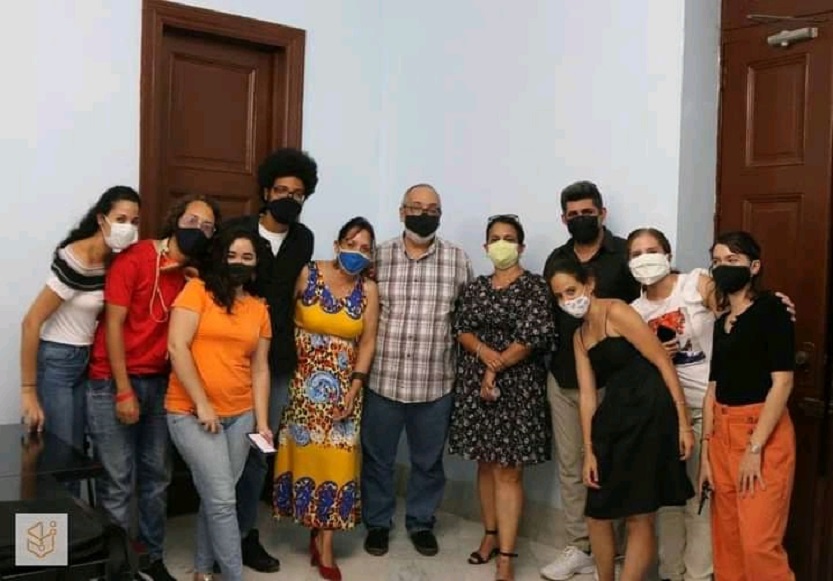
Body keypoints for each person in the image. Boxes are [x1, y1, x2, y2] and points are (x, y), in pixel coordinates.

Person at [86, 195, 220, 581]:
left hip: (160, 382)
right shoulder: (135, 258)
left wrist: (196, 281)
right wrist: (123, 391)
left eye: (207, 226)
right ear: (176, 219)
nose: (198, 230)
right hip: (113, 380)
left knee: (157, 477)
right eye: (192, 220)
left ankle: (151, 559)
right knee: (117, 481)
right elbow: (113, 326)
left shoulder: (194, 275)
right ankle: (118, 568)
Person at [548, 258, 694, 581]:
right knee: (597, 512)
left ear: (589, 284)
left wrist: (683, 422)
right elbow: (588, 397)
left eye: (571, 291)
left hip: (650, 409)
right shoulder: (579, 337)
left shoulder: (617, 311)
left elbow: (662, 361)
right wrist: (589, 450)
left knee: (639, 515)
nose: (567, 300)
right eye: (559, 296)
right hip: (615, 411)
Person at [361, 184, 473, 558]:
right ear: (401, 211)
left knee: (428, 462)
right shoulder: (378, 257)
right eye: (416, 207)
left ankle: (421, 522)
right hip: (383, 379)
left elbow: (466, 319)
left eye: (432, 209)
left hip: (435, 382)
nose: (424, 214)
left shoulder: (458, 260)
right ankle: (378, 523)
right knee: (378, 459)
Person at [540, 181, 639, 581]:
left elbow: (651, 302)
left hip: (611, 383)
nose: (580, 218)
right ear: (563, 219)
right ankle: (580, 546)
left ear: (602, 213)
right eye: (573, 214)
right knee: (571, 467)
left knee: (612, 466)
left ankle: (615, 554)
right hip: (564, 378)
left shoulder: (624, 255)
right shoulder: (557, 258)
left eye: (587, 212)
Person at [226, 147, 318, 573]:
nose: (288, 199)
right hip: (231, 360)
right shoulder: (237, 231)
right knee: (224, 455)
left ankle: (246, 535)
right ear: (266, 191)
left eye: (297, 194)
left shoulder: (304, 239)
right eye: (281, 191)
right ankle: (219, 535)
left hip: (277, 363)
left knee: (258, 451)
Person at [448, 214, 554, 581]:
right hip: (476, 385)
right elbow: (461, 328)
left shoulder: (534, 287)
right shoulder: (476, 288)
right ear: (485, 246)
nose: (502, 244)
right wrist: (483, 353)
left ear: (521, 247)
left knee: (509, 471)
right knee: (485, 463)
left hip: (518, 387)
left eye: (509, 238)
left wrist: (495, 367)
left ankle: (507, 555)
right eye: (495, 238)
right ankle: (490, 534)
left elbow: (532, 336)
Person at [273, 217, 379, 581]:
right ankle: (312, 529)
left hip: (343, 392)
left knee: (338, 464)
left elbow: (368, 342)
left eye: (365, 248)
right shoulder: (309, 273)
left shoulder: (368, 290)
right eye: (351, 244)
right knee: (308, 459)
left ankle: (327, 543)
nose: (357, 252)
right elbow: (280, 317)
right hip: (301, 387)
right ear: (337, 245)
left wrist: (354, 389)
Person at [166, 228, 274, 581]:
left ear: (256, 265)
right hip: (190, 412)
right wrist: (202, 403)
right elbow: (177, 347)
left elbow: (260, 368)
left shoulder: (259, 308)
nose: (238, 263)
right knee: (224, 500)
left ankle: (202, 570)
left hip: (241, 415)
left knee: (217, 496)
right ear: (219, 258)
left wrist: (262, 421)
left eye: (247, 257)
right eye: (232, 255)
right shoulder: (196, 291)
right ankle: (233, 575)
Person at [698, 231, 796, 581]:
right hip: (721, 433)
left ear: (754, 267)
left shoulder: (772, 309)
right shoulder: (721, 322)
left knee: (758, 544)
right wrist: (706, 454)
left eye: (733, 260)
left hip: (759, 432)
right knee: (727, 540)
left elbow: (782, 383)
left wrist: (755, 449)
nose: (723, 267)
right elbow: (713, 388)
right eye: (717, 261)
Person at [20, 186, 141, 463]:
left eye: (135, 221)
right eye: (121, 219)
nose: (128, 227)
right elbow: (31, 322)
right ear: (101, 219)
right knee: (60, 455)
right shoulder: (77, 258)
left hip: (86, 359)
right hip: (58, 359)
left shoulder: (114, 260)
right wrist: (28, 391)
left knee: (75, 454)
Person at [627, 227, 715, 581]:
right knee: (668, 500)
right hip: (662, 413)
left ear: (667, 254)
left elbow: (737, 306)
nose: (645, 258)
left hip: (706, 407)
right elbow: (630, 369)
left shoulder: (694, 284)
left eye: (652, 250)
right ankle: (670, 573)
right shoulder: (634, 311)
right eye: (636, 254)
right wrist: (651, 355)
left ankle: (698, 575)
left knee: (700, 500)